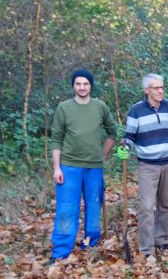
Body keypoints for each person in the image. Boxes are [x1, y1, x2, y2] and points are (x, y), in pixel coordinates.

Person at [49, 69, 117, 264]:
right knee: (67, 208)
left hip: (94, 167)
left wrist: (103, 154)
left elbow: (112, 132)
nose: (82, 87)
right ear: (73, 86)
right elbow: (56, 139)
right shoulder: (64, 108)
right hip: (69, 166)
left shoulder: (100, 107)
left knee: (94, 204)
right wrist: (57, 168)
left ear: (91, 86)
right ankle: (61, 251)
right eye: (78, 84)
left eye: (85, 84)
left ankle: (91, 244)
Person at [124, 73, 168, 262]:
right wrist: (125, 147)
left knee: (165, 204)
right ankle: (147, 248)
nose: (160, 91)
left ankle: (162, 239)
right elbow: (129, 136)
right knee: (146, 207)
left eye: (161, 87)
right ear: (146, 90)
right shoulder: (136, 111)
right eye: (156, 88)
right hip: (148, 166)